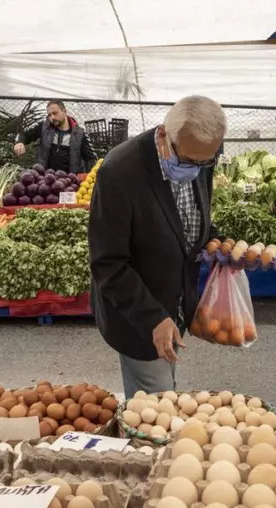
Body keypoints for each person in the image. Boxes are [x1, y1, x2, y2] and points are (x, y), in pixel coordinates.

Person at [89, 95, 225, 397]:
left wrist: (217, 242)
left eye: (206, 161)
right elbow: (107, 262)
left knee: (164, 395)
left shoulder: (201, 157)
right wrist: (153, 318)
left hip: (173, 303)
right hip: (137, 313)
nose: (197, 169)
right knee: (157, 405)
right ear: (164, 135)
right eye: (188, 161)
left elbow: (190, 220)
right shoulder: (119, 172)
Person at [13, 100, 97, 173]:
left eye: (55, 113)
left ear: (64, 110)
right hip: (46, 180)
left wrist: (90, 179)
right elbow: (24, 134)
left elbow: (91, 159)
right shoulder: (44, 127)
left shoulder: (80, 134)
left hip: (70, 182)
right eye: (49, 115)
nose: (52, 117)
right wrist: (19, 142)